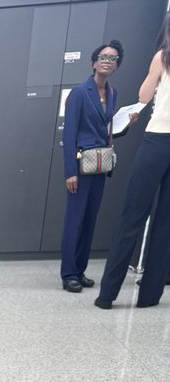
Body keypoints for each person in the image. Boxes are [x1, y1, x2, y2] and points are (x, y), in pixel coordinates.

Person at [96, 14, 170, 309]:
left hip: (157, 140)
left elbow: (144, 95)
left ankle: (107, 296)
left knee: (132, 216)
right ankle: (150, 296)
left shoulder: (163, 56)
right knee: (166, 222)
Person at [60, 41, 136, 293]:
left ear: (116, 66)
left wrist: (126, 124)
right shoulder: (80, 93)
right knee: (75, 220)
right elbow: (69, 133)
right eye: (103, 56)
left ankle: (79, 271)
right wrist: (70, 171)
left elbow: (106, 132)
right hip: (81, 166)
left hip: (100, 166)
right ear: (94, 63)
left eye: (113, 58)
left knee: (89, 220)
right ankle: (68, 273)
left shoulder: (112, 93)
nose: (107, 60)